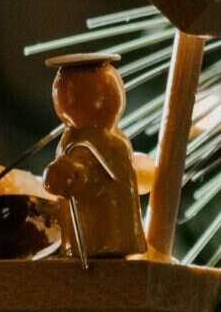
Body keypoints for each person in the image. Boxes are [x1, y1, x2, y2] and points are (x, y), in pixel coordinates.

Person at [40, 53, 153, 258]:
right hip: (82, 244)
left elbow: (85, 168)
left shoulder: (107, 142)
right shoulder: (74, 137)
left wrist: (71, 173)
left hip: (106, 242)